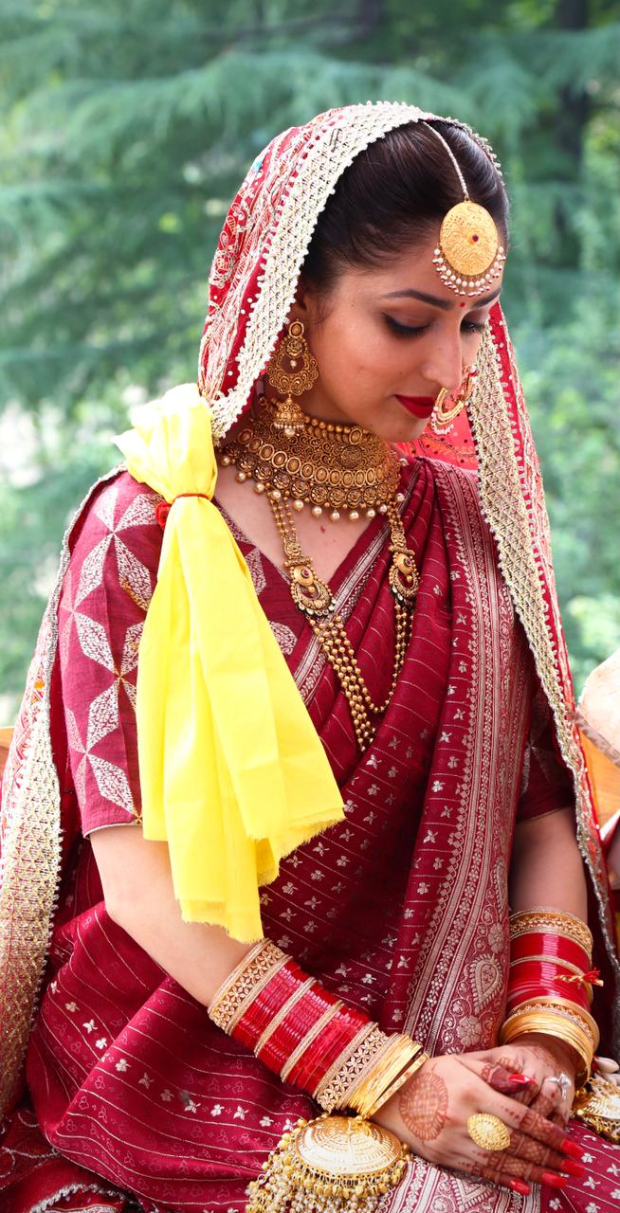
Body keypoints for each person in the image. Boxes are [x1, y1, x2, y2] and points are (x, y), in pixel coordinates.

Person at [1, 101, 619, 1213]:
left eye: (475, 324)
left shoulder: (470, 529)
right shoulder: (147, 528)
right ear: (290, 307)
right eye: (406, 320)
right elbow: (144, 886)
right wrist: (383, 1080)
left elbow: (537, 812)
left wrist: (544, 1033)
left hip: (449, 1023)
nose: (452, 364)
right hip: (183, 1038)